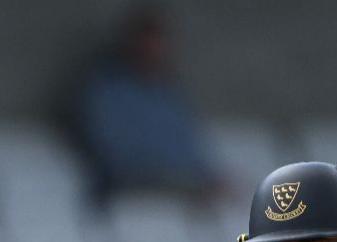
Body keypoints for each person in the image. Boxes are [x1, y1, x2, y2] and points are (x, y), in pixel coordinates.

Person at [69, 4, 227, 208]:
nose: (154, 49)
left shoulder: (169, 94)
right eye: (147, 40)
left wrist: (207, 178)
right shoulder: (103, 91)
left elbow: (190, 150)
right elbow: (114, 156)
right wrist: (178, 178)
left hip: (179, 193)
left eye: (159, 41)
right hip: (128, 194)